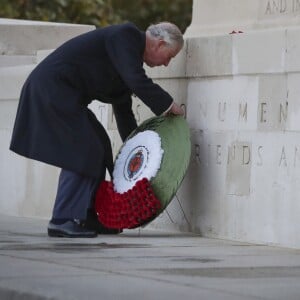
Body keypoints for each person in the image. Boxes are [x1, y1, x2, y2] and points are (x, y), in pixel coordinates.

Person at [10, 21, 185, 238]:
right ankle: (63, 218)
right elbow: (136, 80)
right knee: (84, 149)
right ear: (159, 44)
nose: (167, 63)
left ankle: (86, 216)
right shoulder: (126, 35)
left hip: (64, 95)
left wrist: (138, 151)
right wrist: (168, 105)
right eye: (170, 56)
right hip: (52, 89)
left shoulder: (127, 58)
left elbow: (123, 111)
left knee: (100, 145)